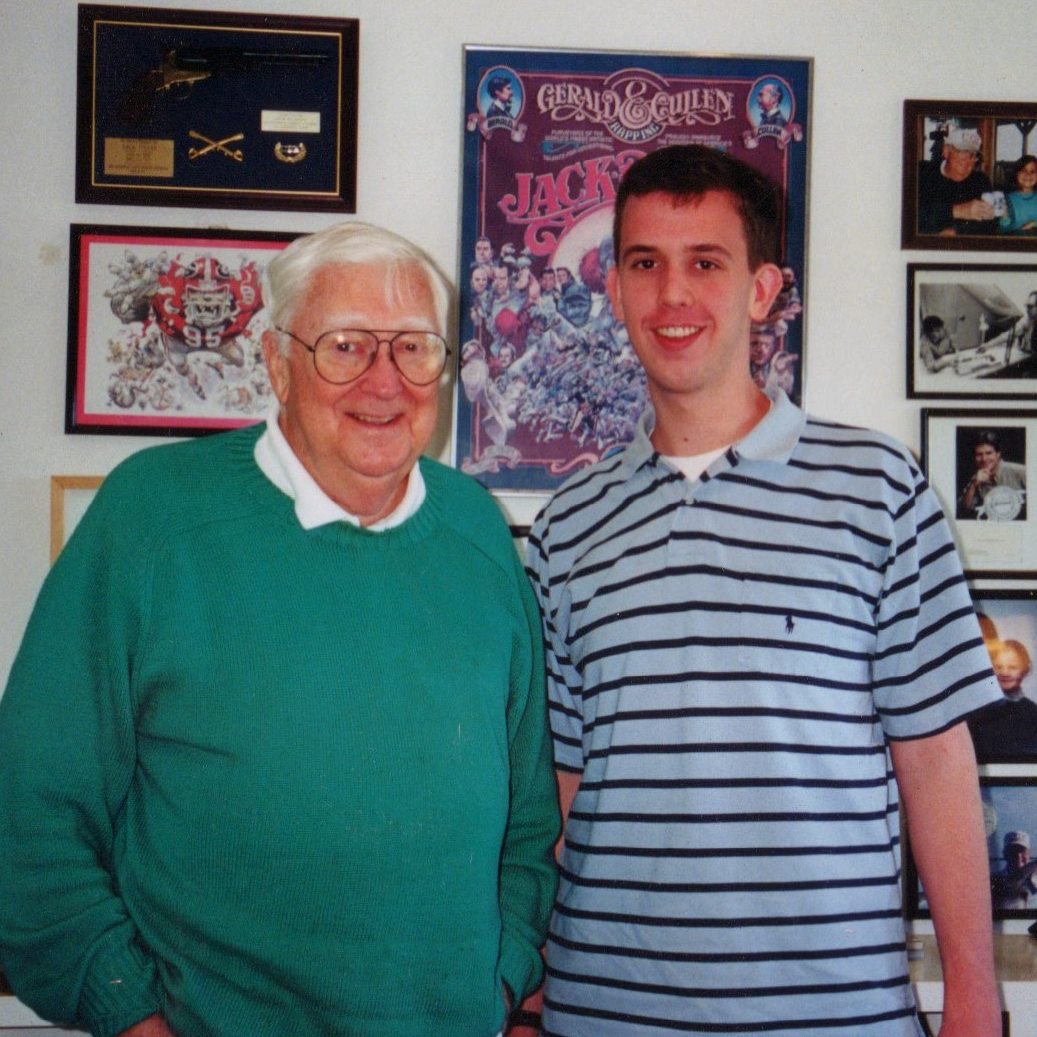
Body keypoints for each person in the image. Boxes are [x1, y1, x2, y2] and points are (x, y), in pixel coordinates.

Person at [0, 222, 559, 1037]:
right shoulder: (152, 518)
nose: (385, 380)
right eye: (344, 346)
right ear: (275, 364)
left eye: (414, 347)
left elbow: (528, 819)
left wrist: (506, 983)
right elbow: (34, 808)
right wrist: (124, 1010)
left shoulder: (478, 531)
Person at [526, 144, 1002, 1037]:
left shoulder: (878, 489)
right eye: (644, 264)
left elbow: (935, 757)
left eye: (705, 262)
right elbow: (563, 783)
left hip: (835, 1014)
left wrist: (975, 995)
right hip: (606, 1010)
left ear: (761, 289)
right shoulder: (565, 527)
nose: (671, 295)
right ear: (617, 288)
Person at [917, 127, 997, 236]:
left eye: (973, 155)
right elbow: (912, 215)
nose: (968, 160)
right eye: (962, 152)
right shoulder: (923, 173)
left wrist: (957, 232)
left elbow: (990, 224)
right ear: (946, 151)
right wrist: (958, 211)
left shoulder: (980, 181)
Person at [968, 639, 1037, 759]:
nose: (1004, 672)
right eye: (998, 666)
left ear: (1024, 670)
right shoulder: (978, 711)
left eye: (1012, 667)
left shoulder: (1032, 712)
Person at [957, 429, 1027, 521]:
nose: (984, 459)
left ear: (998, 454)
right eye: (979, 454)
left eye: (989, 453)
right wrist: (974, 485)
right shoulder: (977, 478)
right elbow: (964, 510)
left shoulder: (1020, 471)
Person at [991, 831, 1037, 911]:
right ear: (1005, 854)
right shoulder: (994, 881)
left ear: (1029, 854)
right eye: (1013, 851)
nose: (1018, 856)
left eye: (1022, 851)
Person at [998, 154, 1037, 234]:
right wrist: (1004, 217)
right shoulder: (1007, 199)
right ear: (1016, 173)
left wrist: (1034, 224)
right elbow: (1003, 230)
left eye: (1032, 171)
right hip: (1016, 243)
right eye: (1023, 170)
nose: (1028, 175)